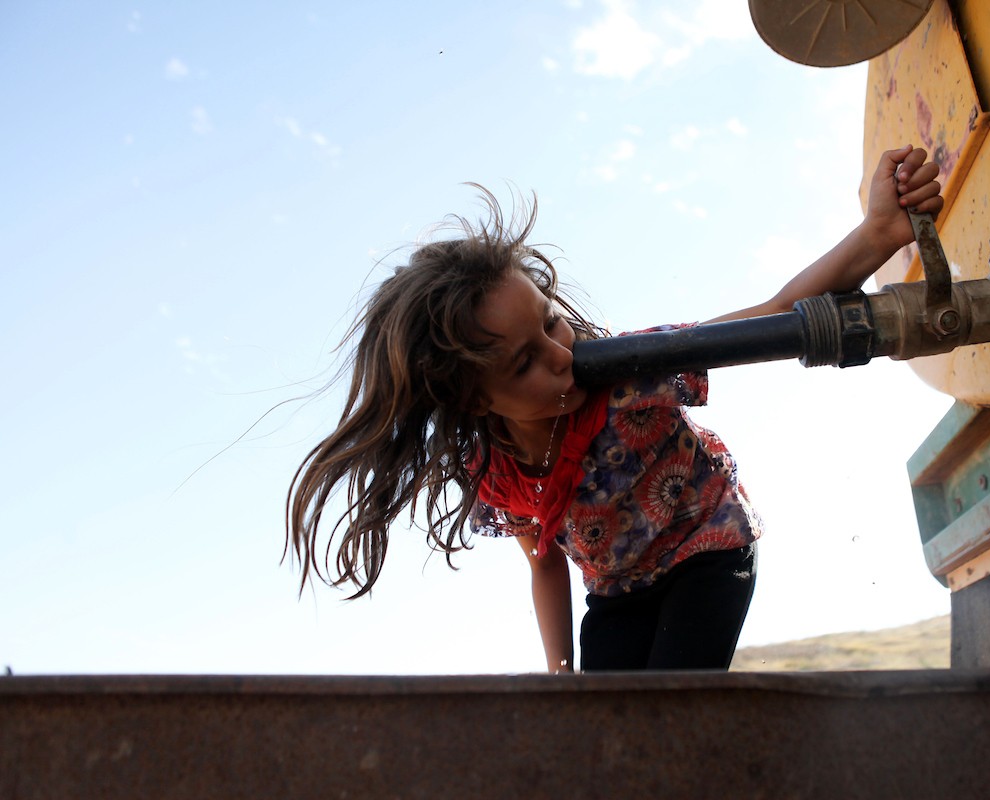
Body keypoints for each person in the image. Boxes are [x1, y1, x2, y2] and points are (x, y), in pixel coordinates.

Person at [287, 145, 943, 673]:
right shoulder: (495, 473)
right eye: (524, 362)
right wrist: (559, 671)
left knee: (665, 708)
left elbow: (772, 315)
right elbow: (544, 560)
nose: (561, 355)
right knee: (606, 718)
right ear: (473, 399)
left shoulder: (627, 374)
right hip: (617, 591)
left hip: (706, 548)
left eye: (551, 322)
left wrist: (878, 234)